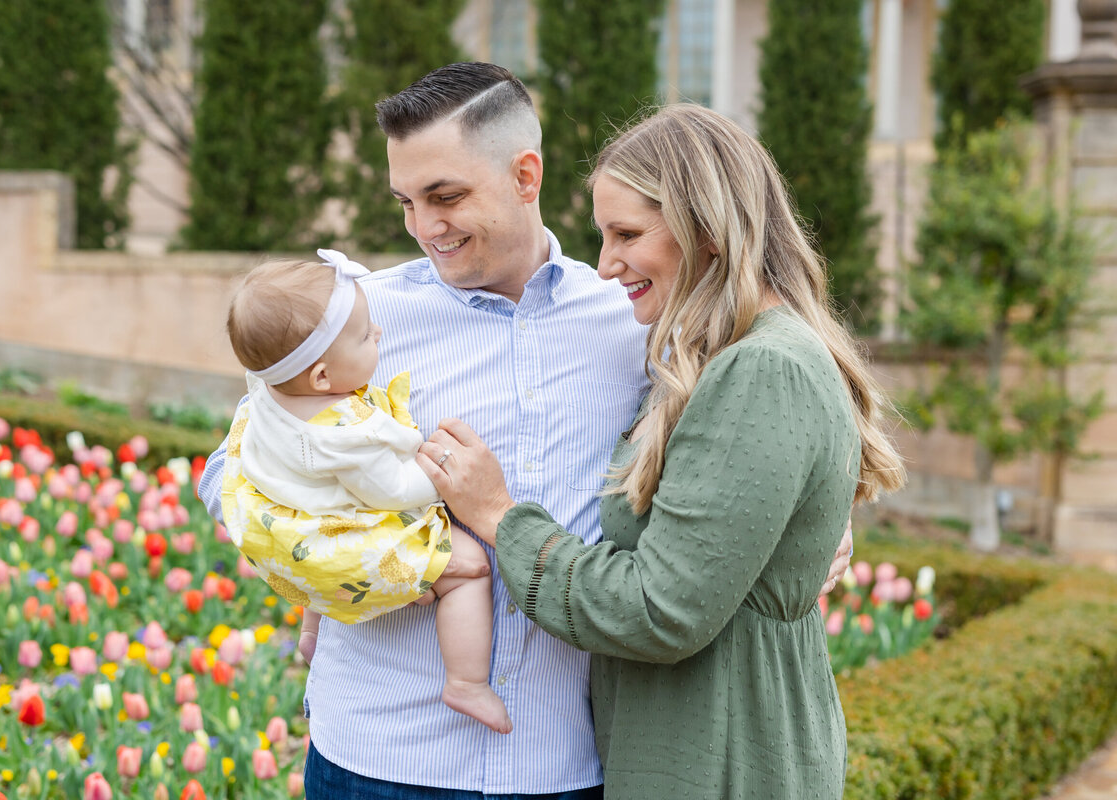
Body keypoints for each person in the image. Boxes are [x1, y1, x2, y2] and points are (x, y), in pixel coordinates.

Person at [198, 63, 852, 799]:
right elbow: (231, 471)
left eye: (445, 196)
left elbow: (746, 449)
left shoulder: (638, 316)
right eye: (407, 201)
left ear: (525, 174)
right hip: (381, 759)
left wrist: (823, 530)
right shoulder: (355, 324)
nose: (424, 227)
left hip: (566, 764)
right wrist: (348, 555)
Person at [415, 104, 906, 799]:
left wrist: (498, 516)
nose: (608, 264)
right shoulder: (710, 358)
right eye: (602, 236)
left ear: (706, 230)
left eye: (628, 234)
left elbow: (658, 610)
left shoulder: (760, 368)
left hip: (722, 757)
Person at [220, 249, 511, 734]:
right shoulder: (345, 435)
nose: (378, 333)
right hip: (348, 538)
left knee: (317, 547)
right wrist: (443, 473)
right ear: (322, 377)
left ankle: (312, 630)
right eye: (363, 336)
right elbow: (394, 490)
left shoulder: (269, 389)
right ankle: (466, 682)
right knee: (469, 570)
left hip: (296, 535)